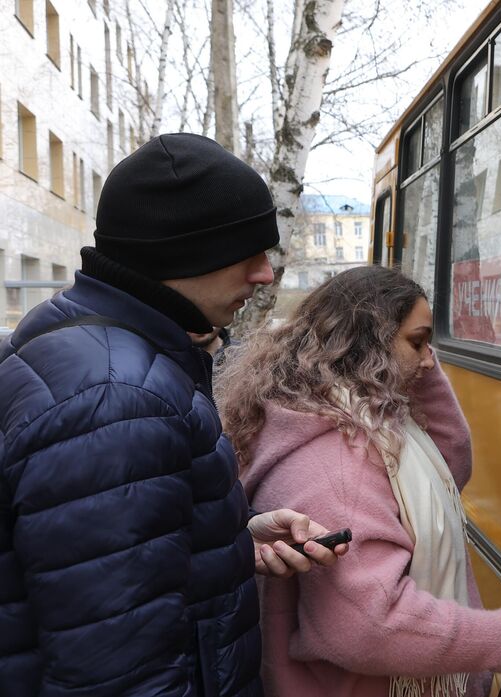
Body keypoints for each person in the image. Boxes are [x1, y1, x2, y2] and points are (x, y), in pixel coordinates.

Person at [0, 133, 346, 695]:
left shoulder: (80, 335)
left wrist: (230, 536)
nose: (264, 274)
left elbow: (100, 563)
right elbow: (118, 672)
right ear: (182, 254)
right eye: (248, 252)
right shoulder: (118, 398)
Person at [222, 266, 501, 697]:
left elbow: (450, 464)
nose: (431, 359)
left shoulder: (329, 415)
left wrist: (413, 364)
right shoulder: (339, 463)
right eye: (417, 342)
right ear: (367, 345)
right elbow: (369, 624)